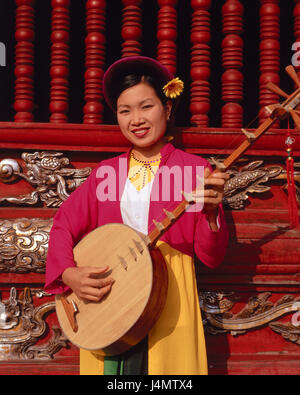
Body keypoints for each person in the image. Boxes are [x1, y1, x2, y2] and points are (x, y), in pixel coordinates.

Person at [45, 56, 229, 375]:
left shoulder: (195, 170)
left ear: (167, 109)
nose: (136, 119)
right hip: (111, 295)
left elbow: (211, 256)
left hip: (169, 296)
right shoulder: (107, 173)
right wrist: (69, 274)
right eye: (125, 110)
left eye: (146, 106)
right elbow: (63, 226)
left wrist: (211, 216)